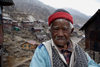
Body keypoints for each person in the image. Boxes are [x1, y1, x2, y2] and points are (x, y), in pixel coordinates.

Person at [30, 9, 100, 67]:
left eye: (65, 29)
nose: (60, 34)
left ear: (71, 31)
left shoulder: (79, 51)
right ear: (50, 30)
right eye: (56, 29)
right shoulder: (42, 51)